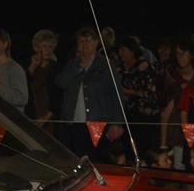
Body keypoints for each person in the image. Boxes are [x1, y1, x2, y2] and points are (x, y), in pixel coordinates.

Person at [55, 26, 124, 160]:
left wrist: (117, 123)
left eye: (89, 41)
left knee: (97, 160)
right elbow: (60, 83)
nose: (85, 44)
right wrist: (78, 67)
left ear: (96, 42)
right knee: (74, 160)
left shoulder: (105, 65)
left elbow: (117, 95)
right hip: (73, 123)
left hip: (97, 125)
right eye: (81, 41)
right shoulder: (72, 64)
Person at [26, 28, 62, 130]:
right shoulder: (28, 65)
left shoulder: (57, 68)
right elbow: (24, 89)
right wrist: (31, 69)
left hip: (49, 118)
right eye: (44, 46)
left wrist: (46, 118)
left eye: (51, 47)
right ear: (37, 47)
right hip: (31, 114)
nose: (48, 50)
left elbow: (58, 97)